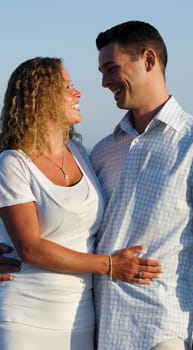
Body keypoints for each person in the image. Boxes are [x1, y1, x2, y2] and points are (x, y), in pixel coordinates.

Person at [0, 56, 162, 350]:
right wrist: (109, 265)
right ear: (40, 97)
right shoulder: (12, 163)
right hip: (21, 316)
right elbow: (29, 248)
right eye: (66, 86)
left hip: (79, 316)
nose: (77, 93)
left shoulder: (81, 154)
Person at [91, 21, 193, 350]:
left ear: (148, 60)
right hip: (101, 328)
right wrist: (6, 250)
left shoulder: (190, 143)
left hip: (162, 329)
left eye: (111, 68)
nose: (104, 82)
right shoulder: (102, 151)